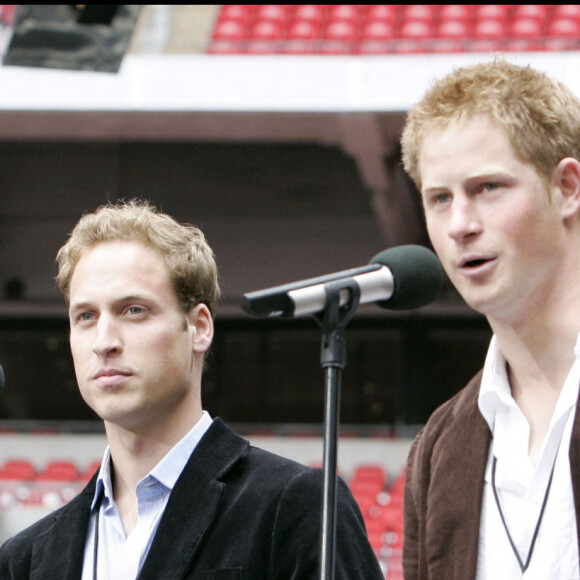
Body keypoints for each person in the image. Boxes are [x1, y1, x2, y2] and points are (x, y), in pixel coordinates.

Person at [0, 199, 383, 579]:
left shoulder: (297, 507)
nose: (104, 341)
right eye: (86, 316)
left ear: (199, 327)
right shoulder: (25, 558)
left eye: (133, 310)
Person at [399, 57, 580, 579]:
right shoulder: (440, 443)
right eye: (439, 198)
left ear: (567, 188)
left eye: (487, 189)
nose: (459, 225)